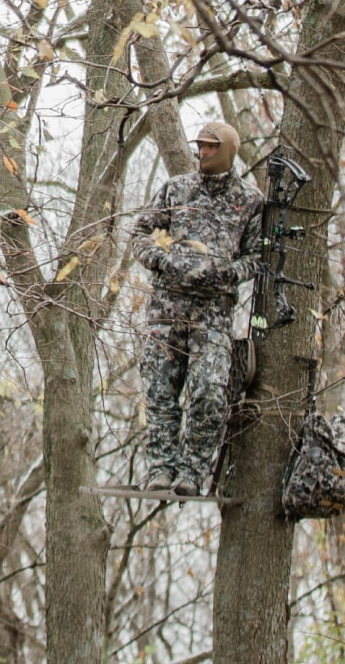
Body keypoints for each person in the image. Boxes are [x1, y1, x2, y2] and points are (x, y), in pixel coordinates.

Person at [131, 122, 264, 495]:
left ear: (225, 151)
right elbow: (140, 233)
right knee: (160, 390)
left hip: (213, 314)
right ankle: (160, 468)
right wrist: (162, 260)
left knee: (209, 392)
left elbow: (256, 257)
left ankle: (191, 472)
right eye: (200, 146)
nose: (202, 153)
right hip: (166, 309)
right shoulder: (177, 189)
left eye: (210, 147)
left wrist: (224, 273)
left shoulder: (249, 201)